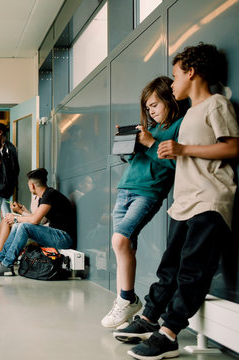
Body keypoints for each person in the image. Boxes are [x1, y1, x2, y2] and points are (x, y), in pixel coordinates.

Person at [115, 44, 239, 360]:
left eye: (175, 75)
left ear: (191, 71)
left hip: (209, 200)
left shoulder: (216, 104)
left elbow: (233, 147)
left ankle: (169, 334)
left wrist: (182, 150)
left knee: (192, 272)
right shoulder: (189, 115)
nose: (172, 84)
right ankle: (148, 318)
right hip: (184, 201)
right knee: (169, 268)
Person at [101, 76, 186, 329]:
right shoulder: (152, 129)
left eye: (155, 105)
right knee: (124, 248)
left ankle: (127, 299)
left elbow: (177, 164)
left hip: (148, 192)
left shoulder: (180, 125)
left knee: (120, 240)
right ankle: (124, 304)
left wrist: (150, 143)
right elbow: (139, 160)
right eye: (148, 107)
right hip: (125, 189)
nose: (151, 110)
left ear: (170, 100)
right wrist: (130, 145)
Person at [0, 168, 74, 276]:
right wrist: (20, 212)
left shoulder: (50, 195)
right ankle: (1, 260)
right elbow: (40, 219)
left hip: (63, 238)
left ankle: (7, 265)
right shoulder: (46, 196)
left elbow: (35, 220)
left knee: (23, 226)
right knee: (20, 225)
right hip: (56, 235)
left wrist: (15, 218)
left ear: (32, 185)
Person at [0, 195, 47, 267]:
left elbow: (40, 220)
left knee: (7, 221)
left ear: (32, 185)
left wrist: (19, 213)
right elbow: (34, 216)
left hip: (40, 231)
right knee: (6, 219)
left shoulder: (45, 197)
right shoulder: (35, 196)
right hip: (33, 225)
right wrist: (23, 210)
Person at [0, 123, 19, 236]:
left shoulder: (9, 148)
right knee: (7, 213)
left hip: (1, 186)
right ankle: (10, 239)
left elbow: (12, 168)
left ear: (1, 132)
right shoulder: (1, 147)